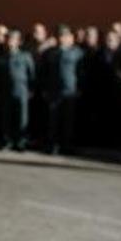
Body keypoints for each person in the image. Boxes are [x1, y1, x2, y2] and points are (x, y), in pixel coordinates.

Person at [39, 25, 84, 155]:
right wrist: (44, 89)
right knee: (53, 120)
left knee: (68, 120)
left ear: (71, 38)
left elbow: (81, 73)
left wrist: (79, 88)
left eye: (65, 36)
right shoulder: (50, 53)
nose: (62, 38)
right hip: (53, 91)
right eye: (60, 36)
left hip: (70, 91)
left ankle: (67, 145)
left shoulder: (77, 53)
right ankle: (53, 145)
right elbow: (44, 72)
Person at [0, 30, 35, 151]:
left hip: (21, 91)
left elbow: (31, 74)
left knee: (22, 118)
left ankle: (21, 142)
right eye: (8, 39)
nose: (10, 42)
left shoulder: (25, 56)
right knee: (6, 117)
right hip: (5, 91)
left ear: (19, 41)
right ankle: (7, 141)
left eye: (13, 39)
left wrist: (31, 89)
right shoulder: (1, 56)